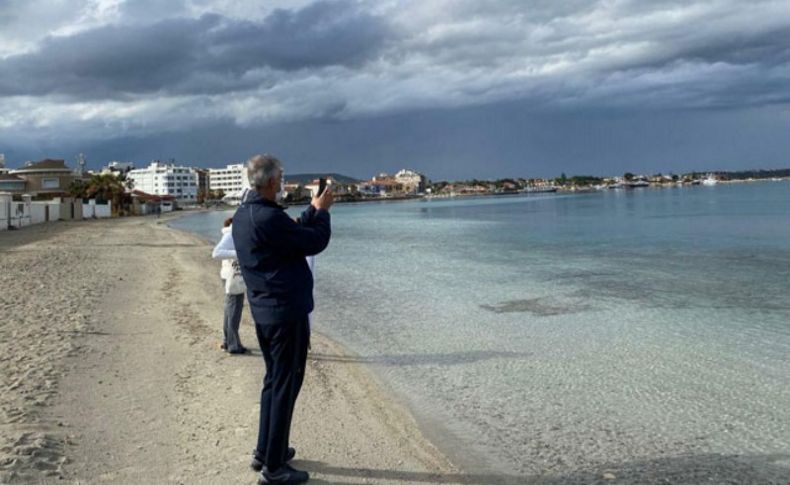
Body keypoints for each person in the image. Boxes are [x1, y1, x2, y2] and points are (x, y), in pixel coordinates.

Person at [232, 154, 333, 484]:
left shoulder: (246, 214)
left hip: (268, 311)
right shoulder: (267, 217)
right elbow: (314, 241)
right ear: (272, 181)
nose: (284, 181)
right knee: (284, 385)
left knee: (274, 382)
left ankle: (266, 451)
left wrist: (312, 210)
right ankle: (273, 468)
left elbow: (290, 234)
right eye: (283, 177)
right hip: (284, 312)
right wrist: (323, 213)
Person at [212, 218, 248, 354]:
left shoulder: (233, 234)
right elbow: (216, 253)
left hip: (230, 276)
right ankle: (233, 345)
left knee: (230, 310)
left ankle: (227, 341)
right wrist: (239, 254)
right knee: (234, 311)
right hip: (232, 277)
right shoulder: (231, 234)